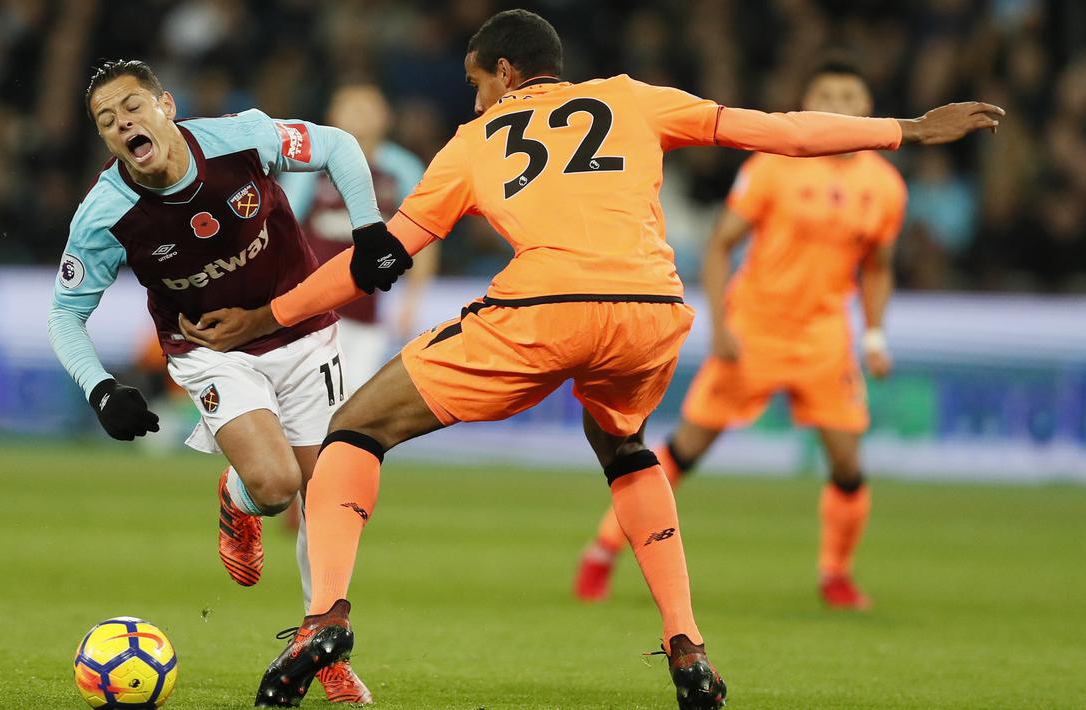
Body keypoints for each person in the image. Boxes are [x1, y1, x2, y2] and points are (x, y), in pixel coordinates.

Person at [174, 10, 1002, 708]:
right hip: (651, 314)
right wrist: (905, 129)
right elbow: (771, 131)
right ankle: (686, 646)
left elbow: (376, 260)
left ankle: (325, 619)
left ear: (502, 73)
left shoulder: (472, 143)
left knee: (354, 431)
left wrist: (264, 316)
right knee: (624, 446)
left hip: (543, 309)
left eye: (474, 81)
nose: (473, 96)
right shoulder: (632, 101)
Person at [46, 59, 388, 704]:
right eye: (106, 120)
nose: (123, 123)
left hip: (304, 329)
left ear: (166, 106)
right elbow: (65, 315)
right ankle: (240, 497)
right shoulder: (105, 214)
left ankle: (320, 645)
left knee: (324, 498)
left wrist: (369, 230)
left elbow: (337, 145)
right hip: (210, 352)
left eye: (132, 107)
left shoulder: (242, 138)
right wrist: (100, 388)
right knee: (277, 484)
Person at [575, 61, 907, 611]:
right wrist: (722, 325)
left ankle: (836, 575)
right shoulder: (775, 166)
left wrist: (874, 335)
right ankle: (602, 551)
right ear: (808, 102)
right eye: (827, 93)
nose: (839, 103)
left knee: (847, 464)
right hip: (755, 331)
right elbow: (720, 244)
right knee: (684, 449)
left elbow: (878, 266)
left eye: (850, 93)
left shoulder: (885, 185)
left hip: (824, 339)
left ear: (867, 106)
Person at [280, 83, 437, 393]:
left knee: (353, 403)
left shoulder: (403, 168)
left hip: (368, 310)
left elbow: (426, 235)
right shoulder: (309, 166)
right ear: (332, 115)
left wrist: (412, 300)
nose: (360, 115)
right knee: (305, 402)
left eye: (368, 108)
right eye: (351, 107)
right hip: (313, 308)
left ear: (386, 117)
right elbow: (283, 228)